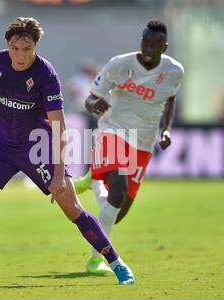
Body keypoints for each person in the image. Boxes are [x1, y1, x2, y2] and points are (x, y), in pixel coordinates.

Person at [0, 17, 134, 285]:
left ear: (35, 47)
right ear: (8, 45)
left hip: (39, 149)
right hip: (3, 145)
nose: (20, 55)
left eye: (27, 49)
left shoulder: (45, 74)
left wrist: (59, 174)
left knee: (73, 209)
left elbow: (59, 126)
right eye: (15, 48)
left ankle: (117, 263)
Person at [74, 19, 184, 274]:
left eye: (155, 44)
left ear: (163, 47)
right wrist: (94, 105)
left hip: (143, 142)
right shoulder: (119, 64)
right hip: (113, 130)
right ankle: (96, 261)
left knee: (118, 210)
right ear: (141, 42)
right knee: (118, 190)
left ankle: (94, 181)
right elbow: (90, 100)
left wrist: (166, 129)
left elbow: (170, 101)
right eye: (145, 42)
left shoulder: (174, 71)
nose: (148, 48)